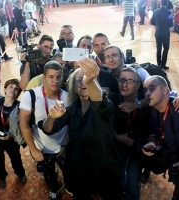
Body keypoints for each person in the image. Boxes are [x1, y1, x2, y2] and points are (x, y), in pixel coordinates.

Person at [38, 58, 122, 200]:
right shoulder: (71, 109)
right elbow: (48, 129)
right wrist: (51, 117)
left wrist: (90, 81)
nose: (82, 82)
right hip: (79, 167)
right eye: (79, 80)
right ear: (74, 86)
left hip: (105, 165)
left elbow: (100, 100)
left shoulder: (105, 104)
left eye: (86, 79)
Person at [19, 61, 69, 200]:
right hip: (42, 147)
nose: (55, 81)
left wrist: (65, 146)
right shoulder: (31, 96)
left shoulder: (67, 96)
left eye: (59, 76)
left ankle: (69, 187)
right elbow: (24, 124)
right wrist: (33, 149)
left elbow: (70, 125)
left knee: (68, 171)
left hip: (63, 146)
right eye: (51, 77)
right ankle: (53, 190)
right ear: (44, 77)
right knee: (49, 173)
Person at [143, 75, 179, 200]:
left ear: (164, 90)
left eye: (152, 89)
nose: (147, 93)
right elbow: (153, 134)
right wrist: (151, 143)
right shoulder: (154, 111)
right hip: (176, 161)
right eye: (145, 90)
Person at [110, 67, 150, 200]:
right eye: (122, 80)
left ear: (138, 85)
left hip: (138, 147)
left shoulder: (147, 100)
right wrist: (116, 136)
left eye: (130, 81)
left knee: (133, 183)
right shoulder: (112, 100)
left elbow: (171, 94)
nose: (124, 84)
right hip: (118, 145)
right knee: (119, 180)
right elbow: (104, 123)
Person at [0, 79, 26, 189]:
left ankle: (20, 174)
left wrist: (11, 136)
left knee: (16, 159)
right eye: (10, 87)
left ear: (19, 93)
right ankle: (1, 176)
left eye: (16, 88)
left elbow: (23, 128)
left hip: (12, 140)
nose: (13, 89)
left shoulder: (20, 108)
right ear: (4, 89)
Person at [151, 0, 173, 70]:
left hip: (158, 33)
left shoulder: (155, 11)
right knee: (166, 49)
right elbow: (171, 24)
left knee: (158, 49)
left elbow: (152, 22)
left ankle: (158, 64)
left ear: (160, 3)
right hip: (166, 33)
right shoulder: (169, 12)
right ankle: (163, 64)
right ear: (166, 4)